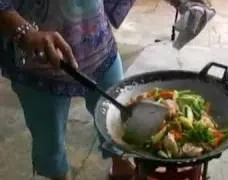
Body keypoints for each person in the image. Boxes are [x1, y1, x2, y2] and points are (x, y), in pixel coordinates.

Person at [0, 0, 180, 179]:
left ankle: (122, 168)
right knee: (50, 141)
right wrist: (25, 32)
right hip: (40, 61)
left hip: (99, 44)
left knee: (119, 117)